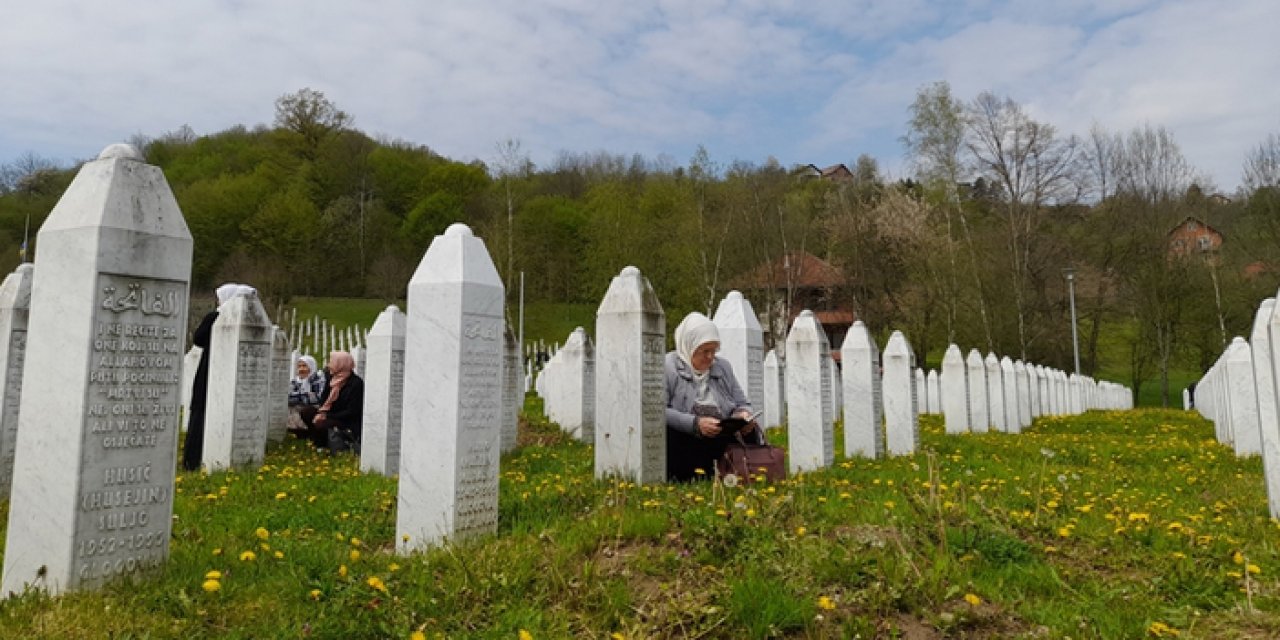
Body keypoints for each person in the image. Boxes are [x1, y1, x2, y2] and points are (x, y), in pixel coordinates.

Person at [665, 312, 760, 481]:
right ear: (689, 346)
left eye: (714, 351)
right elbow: (660, 411)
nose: (710, 357)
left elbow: (742, 402)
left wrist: (743, 415)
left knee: (749, 430)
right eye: (704, 351)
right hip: (688, 433)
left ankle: (740, 472)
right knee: (674, 435)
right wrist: (695, 423)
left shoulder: (722, 367)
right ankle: (690, 475)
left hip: (721, 431)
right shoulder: (669, 367)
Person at [182, 283, 242, 471]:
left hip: (211, 367)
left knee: (200, 412)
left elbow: (199, 339)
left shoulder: (215, 316)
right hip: (230, 369)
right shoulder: (240, 317)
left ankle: (193, 458)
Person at [306, 351, 364, 454]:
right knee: (307, 412)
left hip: (345, 419)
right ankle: (318, 442)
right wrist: (322, 412)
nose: (329, 365)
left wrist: (327, 416)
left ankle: (328, 446)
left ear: (341, 364)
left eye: (332, 362)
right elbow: (324, 399)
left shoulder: (355, 383)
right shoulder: (331, 378)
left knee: (321, 423)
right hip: (330, 413)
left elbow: (352, 411)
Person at [287, 355, 324, 432]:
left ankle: (306, 431)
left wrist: (299, 397)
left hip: (315, 409)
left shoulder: (318, 380)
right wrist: (303, 396)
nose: (301, 369)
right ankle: (295, 431)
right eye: (299, 366)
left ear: (311, 366)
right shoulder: (296, 381)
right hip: (300, 406)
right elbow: (288, 396)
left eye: (304, 366)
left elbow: (317, 397)